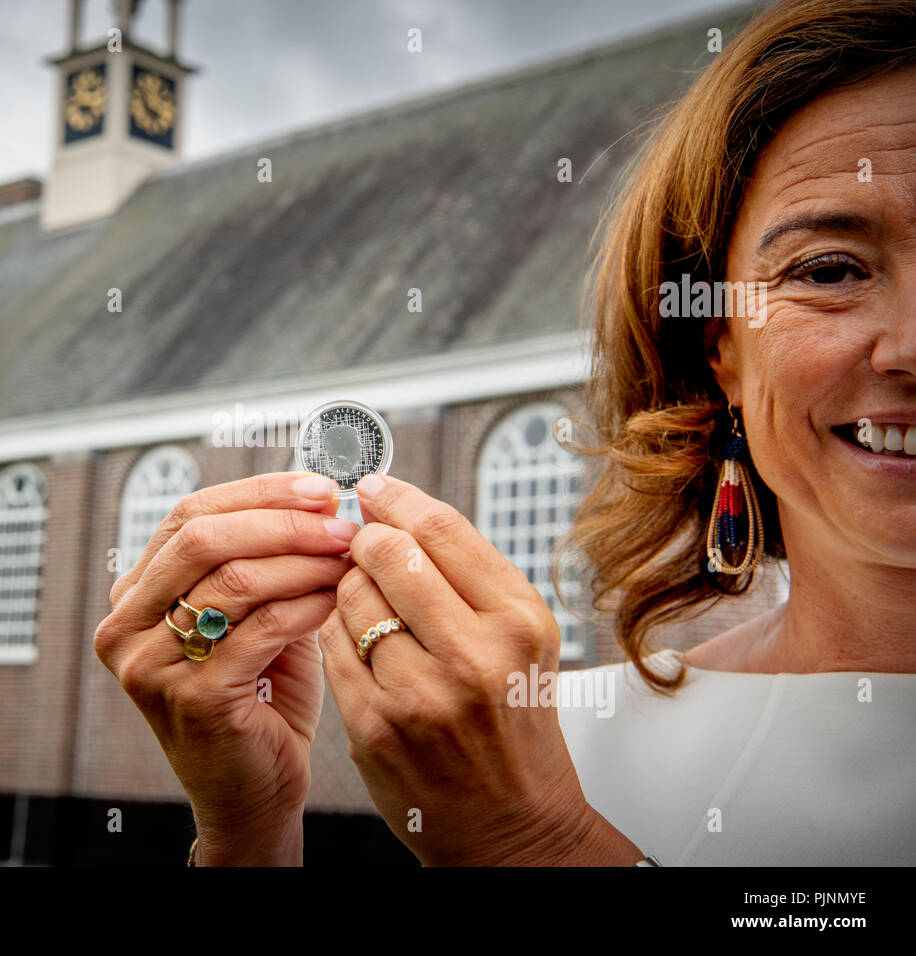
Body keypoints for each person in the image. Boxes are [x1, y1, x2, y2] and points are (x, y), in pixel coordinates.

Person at [93, 0, 916, 865]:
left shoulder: (520, 795)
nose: (908, 345)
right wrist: (246, 831)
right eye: (831, 270)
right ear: (724, 353)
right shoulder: (544, 749)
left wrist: (540, 847)